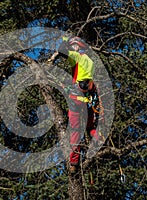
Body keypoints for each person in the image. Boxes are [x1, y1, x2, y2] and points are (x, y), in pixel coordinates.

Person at [49, 36, 101, 174]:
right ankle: (98, 141)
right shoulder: (90, 61)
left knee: (75, 132)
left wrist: (65, 39)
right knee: (90, 126)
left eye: (73, 46)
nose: (72, 48)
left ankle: (74, 162)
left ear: (77, 47)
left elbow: (61, 50)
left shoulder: (76, 57)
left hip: (77, 100)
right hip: (89, 99)